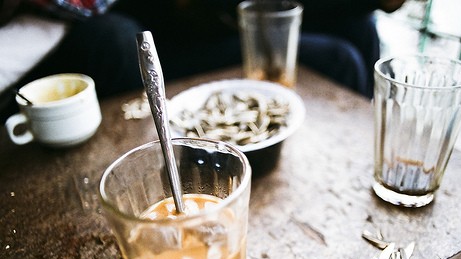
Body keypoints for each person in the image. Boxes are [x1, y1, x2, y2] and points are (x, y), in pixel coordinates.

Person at [0, 0, 405, 122]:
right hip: (177, 28)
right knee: (341, 57)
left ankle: (355, 157)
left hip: (222, 17)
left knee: (359, 26)